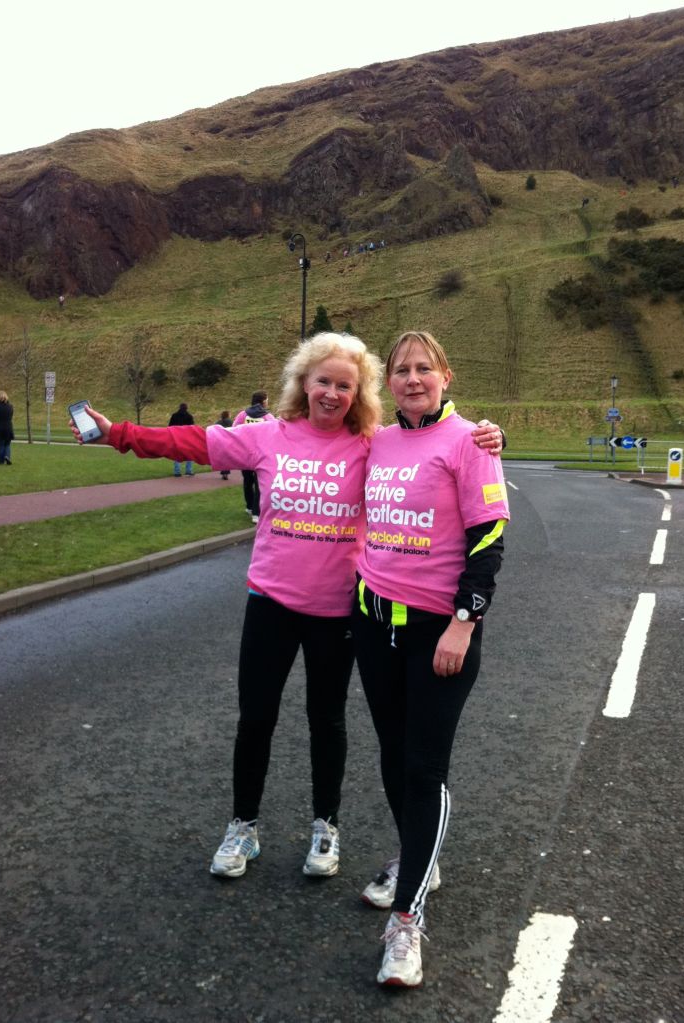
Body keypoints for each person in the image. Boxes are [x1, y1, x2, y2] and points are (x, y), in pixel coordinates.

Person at [70, 333, 503, 887]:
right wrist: (117, 434)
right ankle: (243, 826)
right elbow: (194, 442)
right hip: (270, 603)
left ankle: (326, 826)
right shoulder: (268, 436)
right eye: (323, 381)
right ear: (303, 383)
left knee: (327, 721)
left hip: (337, 613)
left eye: (344, 385)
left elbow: (436, 443)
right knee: (255, 718)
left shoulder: (371, 443)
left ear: (359, 393)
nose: (332, 393)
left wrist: (491, 436)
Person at [351, 330, 510, 988]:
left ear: (446, 375)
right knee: (393, 757)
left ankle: (407, 920)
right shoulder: (378, 440)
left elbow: (489, 537)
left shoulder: (471, 442)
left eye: (424, 368)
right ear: (387, 381)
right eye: (401, 370)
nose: (413, 379)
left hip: (438, 634)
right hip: (373, 626)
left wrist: (463, 623)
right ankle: (422, 858)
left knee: (423, 769)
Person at [232, 391, 275, 521]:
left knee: (247, 481)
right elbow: (275, 434)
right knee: (258, 484)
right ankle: (256, 513)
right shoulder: (267, 417)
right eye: (267, 399)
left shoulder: (242, 415)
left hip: (244, 454)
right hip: (260, 455)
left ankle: (249, 506)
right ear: (263, 401)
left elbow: (234, 430)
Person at [168, 403, 195, 476]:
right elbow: (192, 428)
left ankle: (177, 471)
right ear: (187, 408)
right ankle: (188, 470)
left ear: (179, 407)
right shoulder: (189, 416)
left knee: (177, 454)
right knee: (189, 454)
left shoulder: (174, 415)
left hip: (176, 437)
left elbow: (170, 426)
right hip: (187, 437)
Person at [0, 391, 15, 465]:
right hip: (8, 427)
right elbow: (11, 416)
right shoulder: (10, 406)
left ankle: (1, 461)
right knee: (7, 444)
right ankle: (7, 456)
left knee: (0, 444)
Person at [215, 411, 233, 479]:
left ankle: (223, 472)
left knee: (222, 457)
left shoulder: (218, 422)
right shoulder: (230, 422)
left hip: (220, 441)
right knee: (227, 458)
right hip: (228, 441)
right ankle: (226, 473)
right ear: (227, 415)